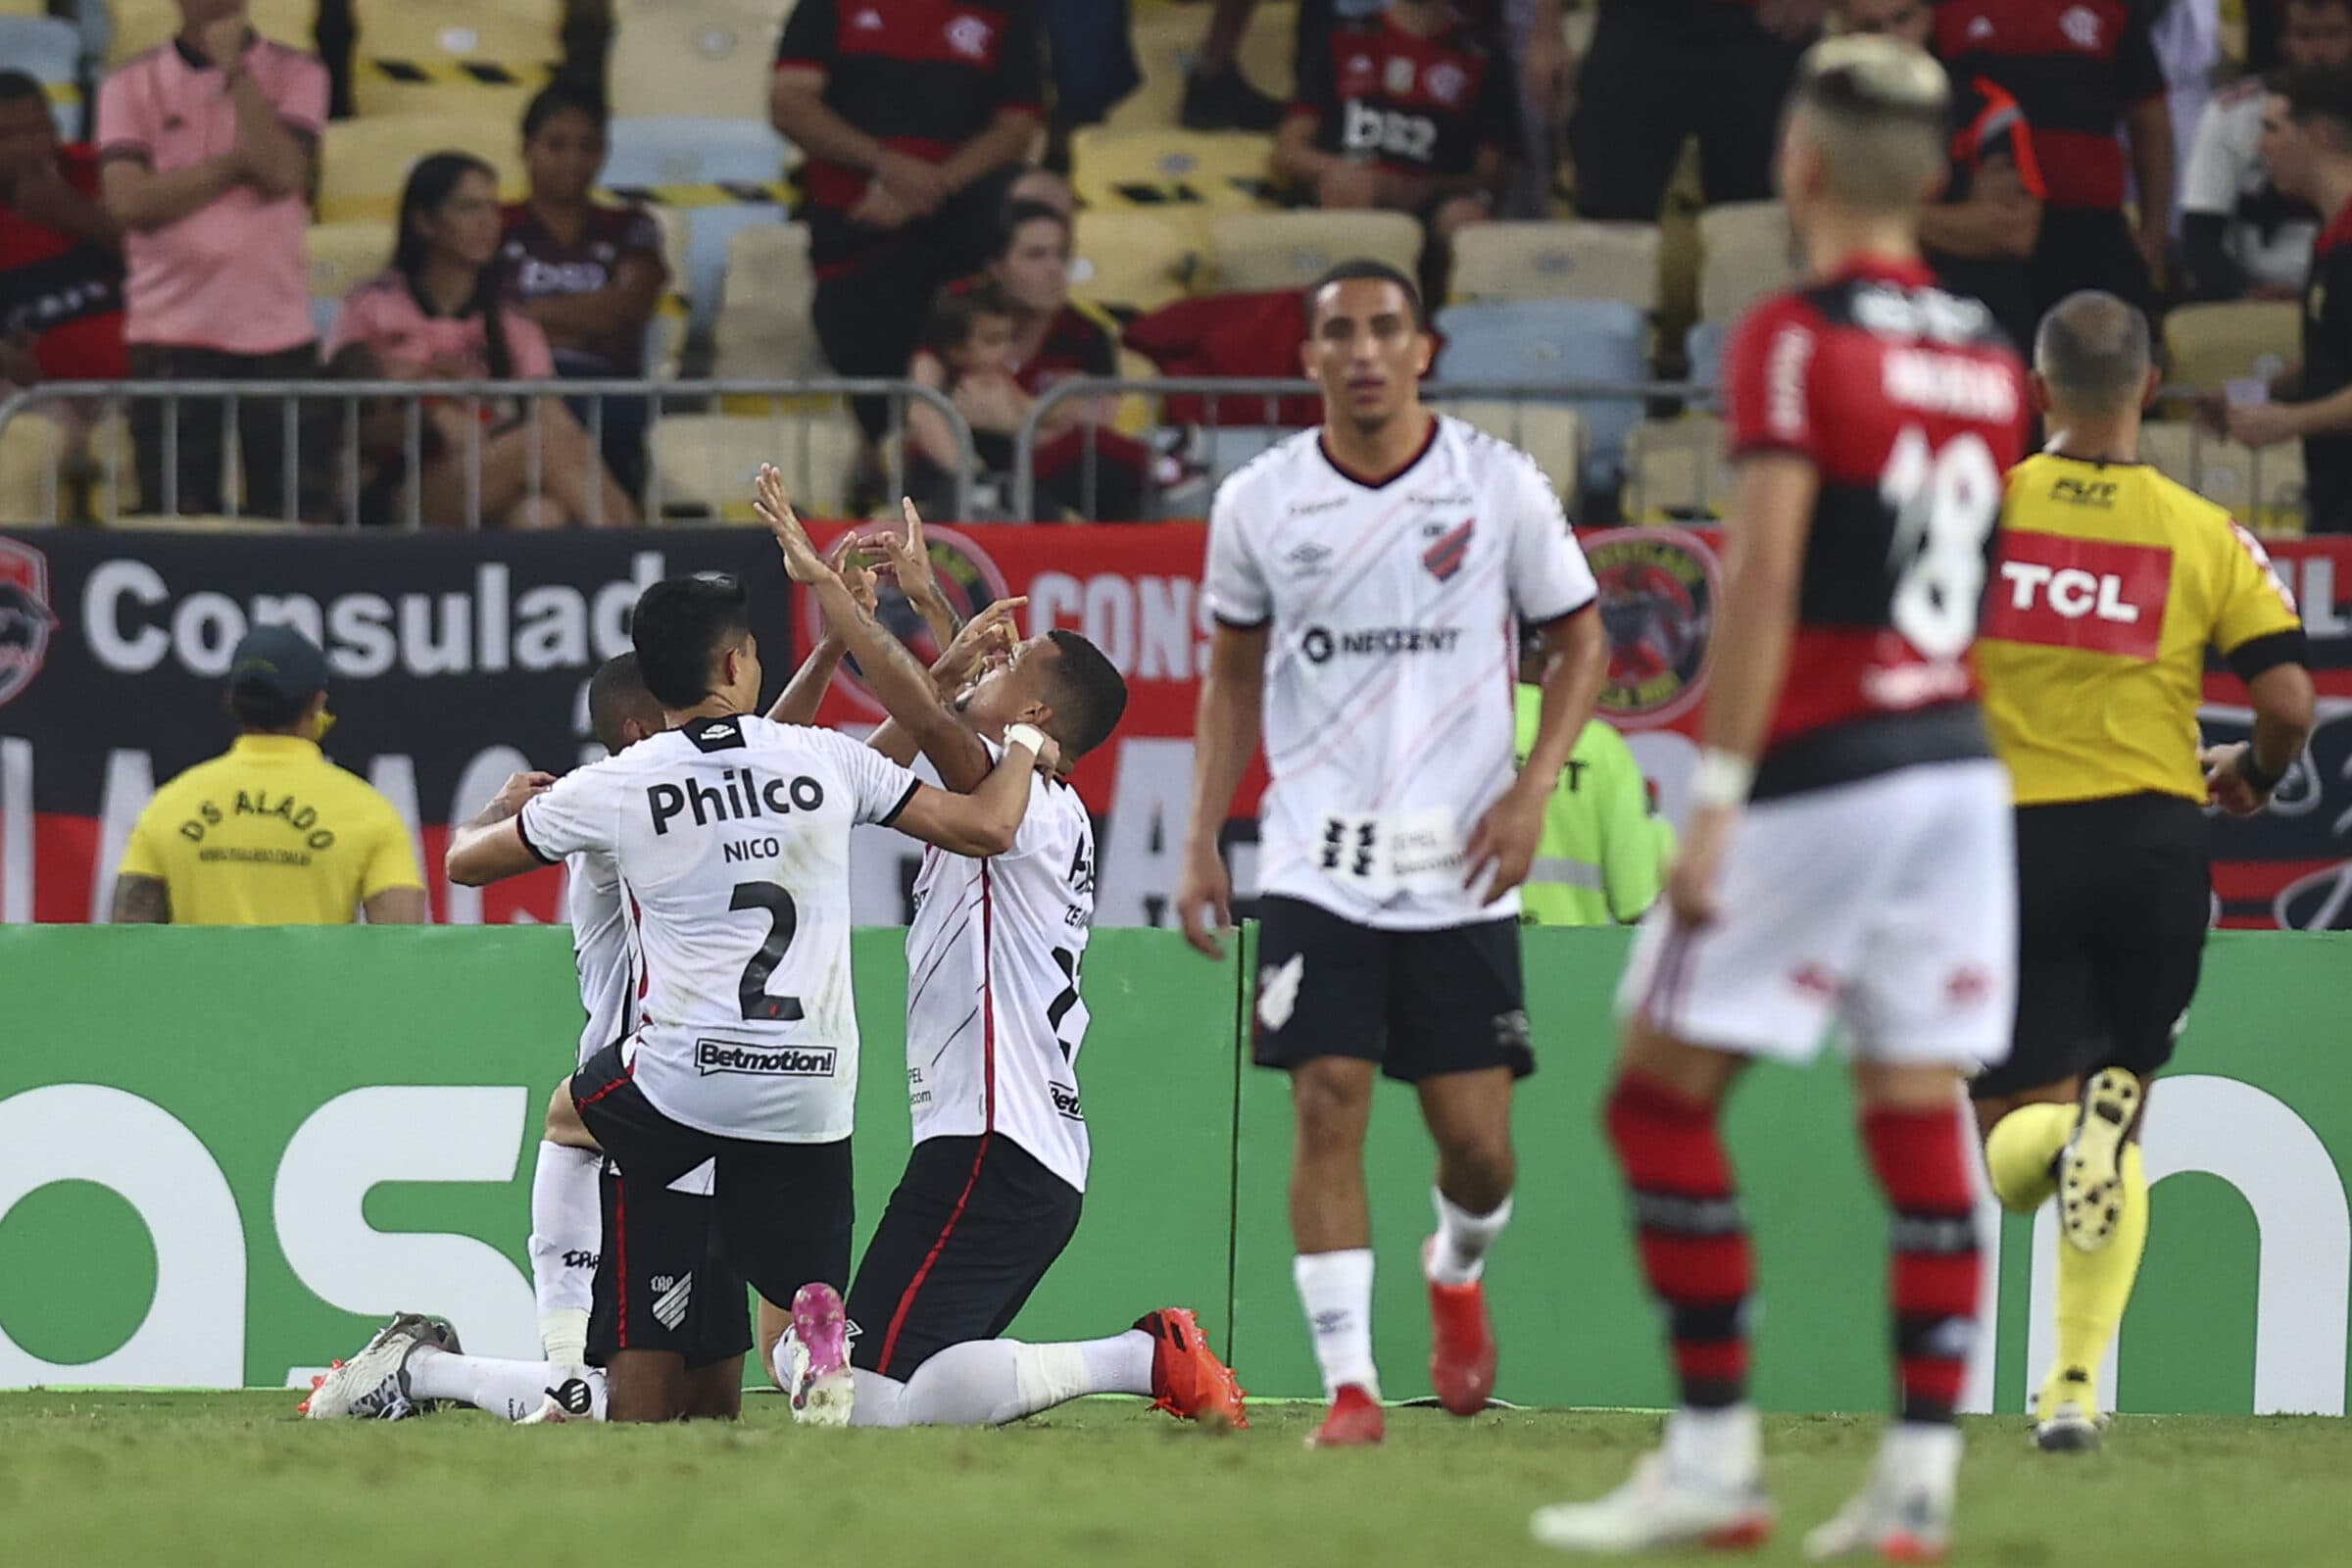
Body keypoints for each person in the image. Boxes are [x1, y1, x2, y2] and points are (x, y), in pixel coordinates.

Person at [1530, 36, 2029, 1557]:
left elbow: (1763, 584)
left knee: (1654, 1098)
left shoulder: (1797, 338)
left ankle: (1714, 1457)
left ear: (1796, 166)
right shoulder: (1991, 355)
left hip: (1824, 773)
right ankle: (1921, 1480)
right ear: (1937, 177)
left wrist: (1722, 797)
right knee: (1914, 1113)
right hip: (1955, 768)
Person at [401, 571, 1053, 1427]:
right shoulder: (814, 760)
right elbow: (946, 813)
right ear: (738, 663)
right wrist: (1016, 742)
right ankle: (798, 1344)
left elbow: (465, 863)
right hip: (813, 1083)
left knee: (573, 1124)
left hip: (680, 1084)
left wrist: (503, 808)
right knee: (759, 1335)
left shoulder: (619, 787)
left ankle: (553, 1359)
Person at [1175, 258, 1608, 1448]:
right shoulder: (1259, 502)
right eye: (1337, 333)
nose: (1362, 351)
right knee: (1328, 1098)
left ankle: (1456, 1268)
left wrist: (1531, 792)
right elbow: (1231, 675)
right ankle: (1353, 1385)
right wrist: (1206, 833)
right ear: (1309, 357)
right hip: (1319, 859)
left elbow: (1583, 643)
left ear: (1424, 349)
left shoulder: (1496, 486)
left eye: (1384, 329)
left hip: (1457, 867)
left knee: (1476, 1147)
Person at [754, 485, 1248, 1431]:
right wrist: (931, 605)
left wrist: (835, 595)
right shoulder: (1035, 798)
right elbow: (962, 706)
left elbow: (932, 712)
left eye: (1015, 661)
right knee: (921, 1394)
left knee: (852, 1403)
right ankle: (1142, 1355)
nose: (995, 657)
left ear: (1034, 716)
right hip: (1027, 1157)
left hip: (988, 1146)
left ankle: (1141, 1356)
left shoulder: (1018, 798)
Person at [1973, 290, 2316, 1452]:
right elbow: (2288, 701)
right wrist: (2255, 776)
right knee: (2115, 1134)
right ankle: (2072, 1386)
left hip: (2013, 843)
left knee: (2011, 1142)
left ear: (2037, 389)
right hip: (2157, 845)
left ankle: (2070, 1147)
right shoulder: (2200, 528)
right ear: (2152, 387)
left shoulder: (1987, 513)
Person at [96, 0, 332, 520]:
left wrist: (237, 73)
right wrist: (233, 164)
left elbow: (281, 173)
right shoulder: (129, 84)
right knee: (177, 518)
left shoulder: (300, 72)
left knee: (295, 516)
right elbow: (130, 203)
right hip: (170, 334)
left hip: (277, 332)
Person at [770, 0, 1045, 440]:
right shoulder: (827, 6)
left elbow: (1017, 125)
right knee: (877, 397)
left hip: (961, 240)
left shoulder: (1005, 10)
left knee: (965, 390)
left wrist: (930, 186)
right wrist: (885, 164)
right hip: (856, 232)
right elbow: (789, 101)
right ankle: (881, 464)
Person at [325, 152, 640, 529]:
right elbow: (347, 409)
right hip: (394, 485)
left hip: (486, 471)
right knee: (539, 444)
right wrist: (430, 393)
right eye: (468, 208)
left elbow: (555, 420)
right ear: (424, 222)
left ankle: (638, 555)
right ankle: (647, 562)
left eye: (493, 208)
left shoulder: (511, 324)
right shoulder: (372, 306)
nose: (487, 222)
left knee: (540, 515)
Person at [110, 626, 426, 926]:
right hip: (316, 986)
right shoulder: (370, 812)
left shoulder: (168, 807)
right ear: (318, 702)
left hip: (198, 985)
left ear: (230, 701)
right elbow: (400, 946)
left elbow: (126, 941)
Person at [1934, 0, 2173, 323]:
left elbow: (2149, 121)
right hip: (1987, 239)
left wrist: (2153, 238)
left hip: (2092, 237)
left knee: (2102, 367)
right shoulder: (1945, 10)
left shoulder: (2113, 9)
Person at [1276, 0, 1519, 301]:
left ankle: (1457, 333)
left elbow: (1492, 174)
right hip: (1353, 183)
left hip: (1432, 194)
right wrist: (1344, 171)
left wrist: (1422, 187)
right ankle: (1347, 316)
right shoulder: (1345, 37)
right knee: (1352, 188)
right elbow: (1289, 149)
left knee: (1466, 218)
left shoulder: (1482, 54)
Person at [1839, 0, 2045, 351]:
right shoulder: (1831, 118)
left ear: (1930, 17)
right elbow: (1829, 234)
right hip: (1873, 327)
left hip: (1982, 323)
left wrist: (1878, 212)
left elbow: (2015, 232)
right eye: (1872, 28)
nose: (1892, 39)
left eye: (1903, 19)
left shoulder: (1983, 105)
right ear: (1847, 34)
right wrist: (1960, 219)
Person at [501, 82, 667, 498]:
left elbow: (625, 312)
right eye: (556, 145)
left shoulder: (632, 225)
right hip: (512, 385)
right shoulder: (496, 223)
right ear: (526, 148)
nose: (573, 161)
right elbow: (478, 317)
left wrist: (525, 316)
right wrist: (585, 318)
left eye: (588, 146)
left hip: (605, 389)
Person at [2222, 66, 2352, 533]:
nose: (2261, 148)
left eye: (2272, 128)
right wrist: (2263, 394)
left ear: (2317, 134)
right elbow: (2333, 347)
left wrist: (2290, 420)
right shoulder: (2332, 236)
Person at [1570, 0, 1824, 220]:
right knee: (1611, 215)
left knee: (1761, 218)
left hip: (1765, 24)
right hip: (1635, 22)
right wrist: (1544, 35)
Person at [2181, 0, 2352, 301]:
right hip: (2256, 296)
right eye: (2305, 35)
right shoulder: (2234, 110)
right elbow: (2199, 236)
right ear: (2283, 39)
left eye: (2334, 34)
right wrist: (2246, 292)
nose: (2319, 51)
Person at [1512, 634, 1673, 927]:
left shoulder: (1441, 741)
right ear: (1545, 656)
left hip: (1455, 958)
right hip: (1573, 963)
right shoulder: (1597, 746)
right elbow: (1641, 895)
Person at [0, 70, 124, 390]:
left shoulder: (101, 173)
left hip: (155, 388)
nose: (24, 148)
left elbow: (175, 263)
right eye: (6, 137)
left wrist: (76, 215)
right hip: (35, 405)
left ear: (56, 129)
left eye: (36, 130)